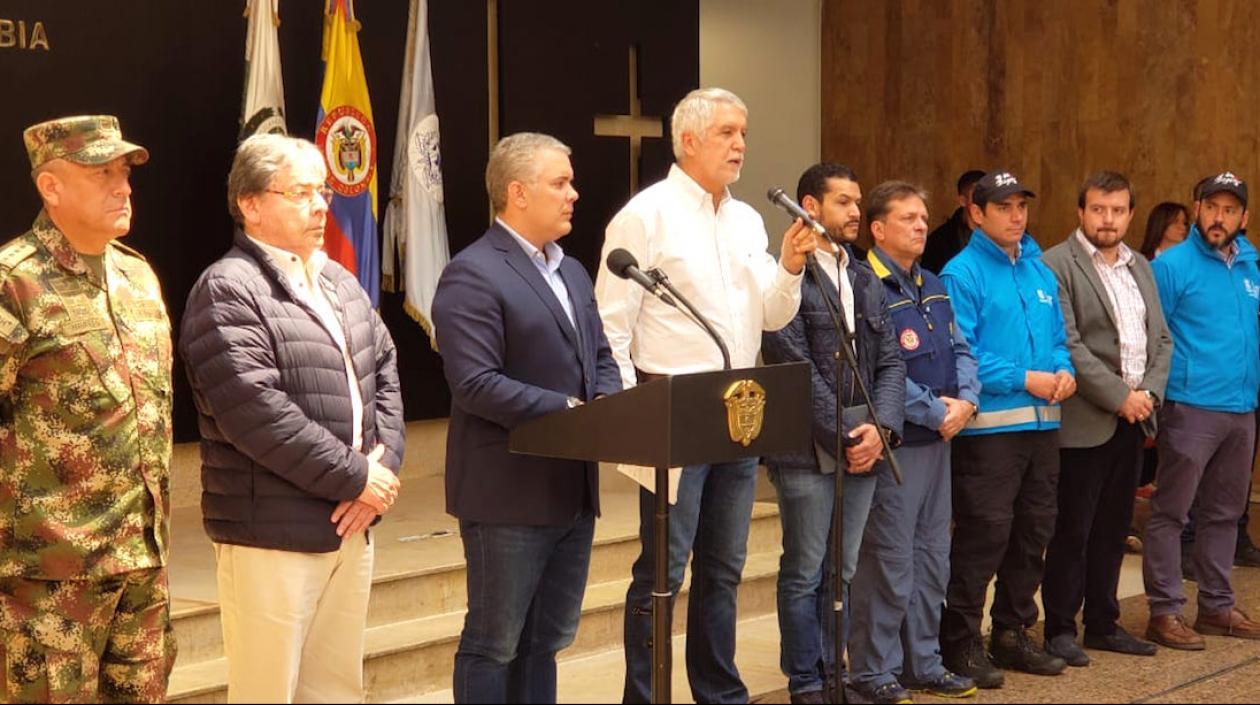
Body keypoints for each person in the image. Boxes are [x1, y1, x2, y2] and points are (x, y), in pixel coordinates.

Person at [594, 87, 817, 704]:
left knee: (723, 567)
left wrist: (791, 267)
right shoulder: (647, 214)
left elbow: (769, 317)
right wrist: (622, 416)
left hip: (740, 411)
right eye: (726, 132)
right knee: (662, 570)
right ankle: (647, 695)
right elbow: (611, 324)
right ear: (688, 140)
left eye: (743, 132)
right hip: (671, 411)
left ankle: (718, 691)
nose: (740, 144)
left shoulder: (746, 218)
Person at [180, 133, 405, 702]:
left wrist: (381, 470)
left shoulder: (338, 280)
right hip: (270, 534)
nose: (321, 206)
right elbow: (254, 413)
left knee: (334, 692)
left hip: (350, 525)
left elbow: (384, 374)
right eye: (301, 193)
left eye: (323, 191)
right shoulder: (228, 288)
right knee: (268, 693)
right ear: (251, 204)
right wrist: (357, 478)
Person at [432, 132, 622, 704]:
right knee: (495, 644)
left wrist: (609, 405)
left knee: (545, 642)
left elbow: (601, 356)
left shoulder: (573, 271)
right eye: (559, 183)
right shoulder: (473, 273)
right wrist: (571, 412)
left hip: (571, 490)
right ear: (517, 192)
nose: (574, 194)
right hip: (507, 495)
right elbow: (475, 383)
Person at [0, 115, 175, 703]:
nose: (122, 186)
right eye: (102, 173)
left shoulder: (138, 276)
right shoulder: (13, 282)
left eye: (123, 172)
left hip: (142, 565)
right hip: (48, 583)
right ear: (51, 187)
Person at [760, 164, 906, 704]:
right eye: (843, 201)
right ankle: (805, 682)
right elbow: (790, 364)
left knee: (841, 573)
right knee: (803, 570)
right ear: (809, 207)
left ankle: (834, 674)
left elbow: (890, 360)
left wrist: (882, 428)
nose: (854, 212)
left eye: (858, 201)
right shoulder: (789, 278)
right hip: (807, 450)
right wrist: (848, 433)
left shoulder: (864, 278)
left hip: (866, 444)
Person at [939, 170, 1076, 688]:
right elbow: (964, 355)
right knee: (984, 537)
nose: (1016, 216)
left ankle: (1013, 631)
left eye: (1021, 206)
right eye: (1003, 207)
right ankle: (961, 640)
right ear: (976, 213)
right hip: (990, 433)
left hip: (1043, 427)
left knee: (1033, 532)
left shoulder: (1040, 271)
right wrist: (1027, 378)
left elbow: (1059, 338)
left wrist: (1063, 371)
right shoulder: (962, 272)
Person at [846, 181, 979, 704]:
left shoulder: (934, 282)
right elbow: (873, 370)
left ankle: (924, 662)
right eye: (908, 218)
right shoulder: (864, 285)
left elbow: (962, 348)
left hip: (941, 442)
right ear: (878, 229)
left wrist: (965, 401)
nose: (922, 225)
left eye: (924, 217)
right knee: (889, 562)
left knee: (932, 559)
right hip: (899, 447)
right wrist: (934, 410)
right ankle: (875, 670)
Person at [1040, 171, 1171, 667]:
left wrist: (1148, 395)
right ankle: (1058, 629)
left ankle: (1102, 622)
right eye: (1098, 209)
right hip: (1085, 420)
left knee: (1114, 528)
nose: (1108, 219)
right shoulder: (1057, 264)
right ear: (1081, 212)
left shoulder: (1141, 266)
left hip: (1135, 420)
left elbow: (1161, 338)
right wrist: (1120, 396)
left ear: (1130, 215)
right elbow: (1070, 345)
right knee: (1073, 528)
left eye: (1117, 210)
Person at [1143, 171, 1260, 650]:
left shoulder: (1251, 266)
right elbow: (1152, 332)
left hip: (1241, 408)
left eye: (1230, 209)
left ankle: (1216, 606)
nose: (1219, 217)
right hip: (1190, 407)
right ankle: (1164, 611)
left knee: (1225, 514)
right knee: (1172, 512)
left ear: (1244, 217)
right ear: (1197, 209)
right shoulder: (1172, 265)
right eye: (1212, 207)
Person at [921, 169, 985, 274]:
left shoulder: (1005, 232)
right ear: (962, 201)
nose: (984, 202)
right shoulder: (938, 242)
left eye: (989, 197)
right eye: (977, 197)